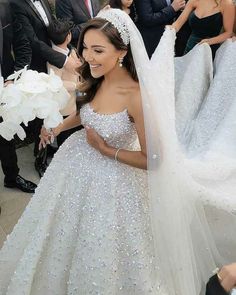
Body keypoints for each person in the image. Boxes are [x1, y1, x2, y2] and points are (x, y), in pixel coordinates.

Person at [1, 8, 236, 295]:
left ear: (122, 51)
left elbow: (155, 159)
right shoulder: (94, 77)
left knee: (105, 245)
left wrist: (106, 149)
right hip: (73, 168)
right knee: (59, 235)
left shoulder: (135, 95)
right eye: (85, 48)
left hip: (116, 181)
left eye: (98, 50)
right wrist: (58, 128)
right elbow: (85, 113)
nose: (88, 57)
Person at [9, 0, 81, 177]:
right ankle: (40, 158)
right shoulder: (17, 4)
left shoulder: (44, 1)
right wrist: (62, 60)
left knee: (55, 113)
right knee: (43, 116)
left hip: (53, 57)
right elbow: (31, 40)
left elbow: (52, 27)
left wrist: (66, 49)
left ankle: (52, 149)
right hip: (39, 66)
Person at [0, 0, 37, 194]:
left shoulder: (6, 7)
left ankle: (12, 177)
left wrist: (15, 78)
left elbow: (23, 45)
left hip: (5, 85)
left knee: (6, 135)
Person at [47, 19, 82, 147]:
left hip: (77, 101)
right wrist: (76, 86)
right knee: (66, 139)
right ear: (68, 36)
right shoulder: (54, 59)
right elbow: (56, 83)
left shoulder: (70, 49)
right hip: (65, 106)